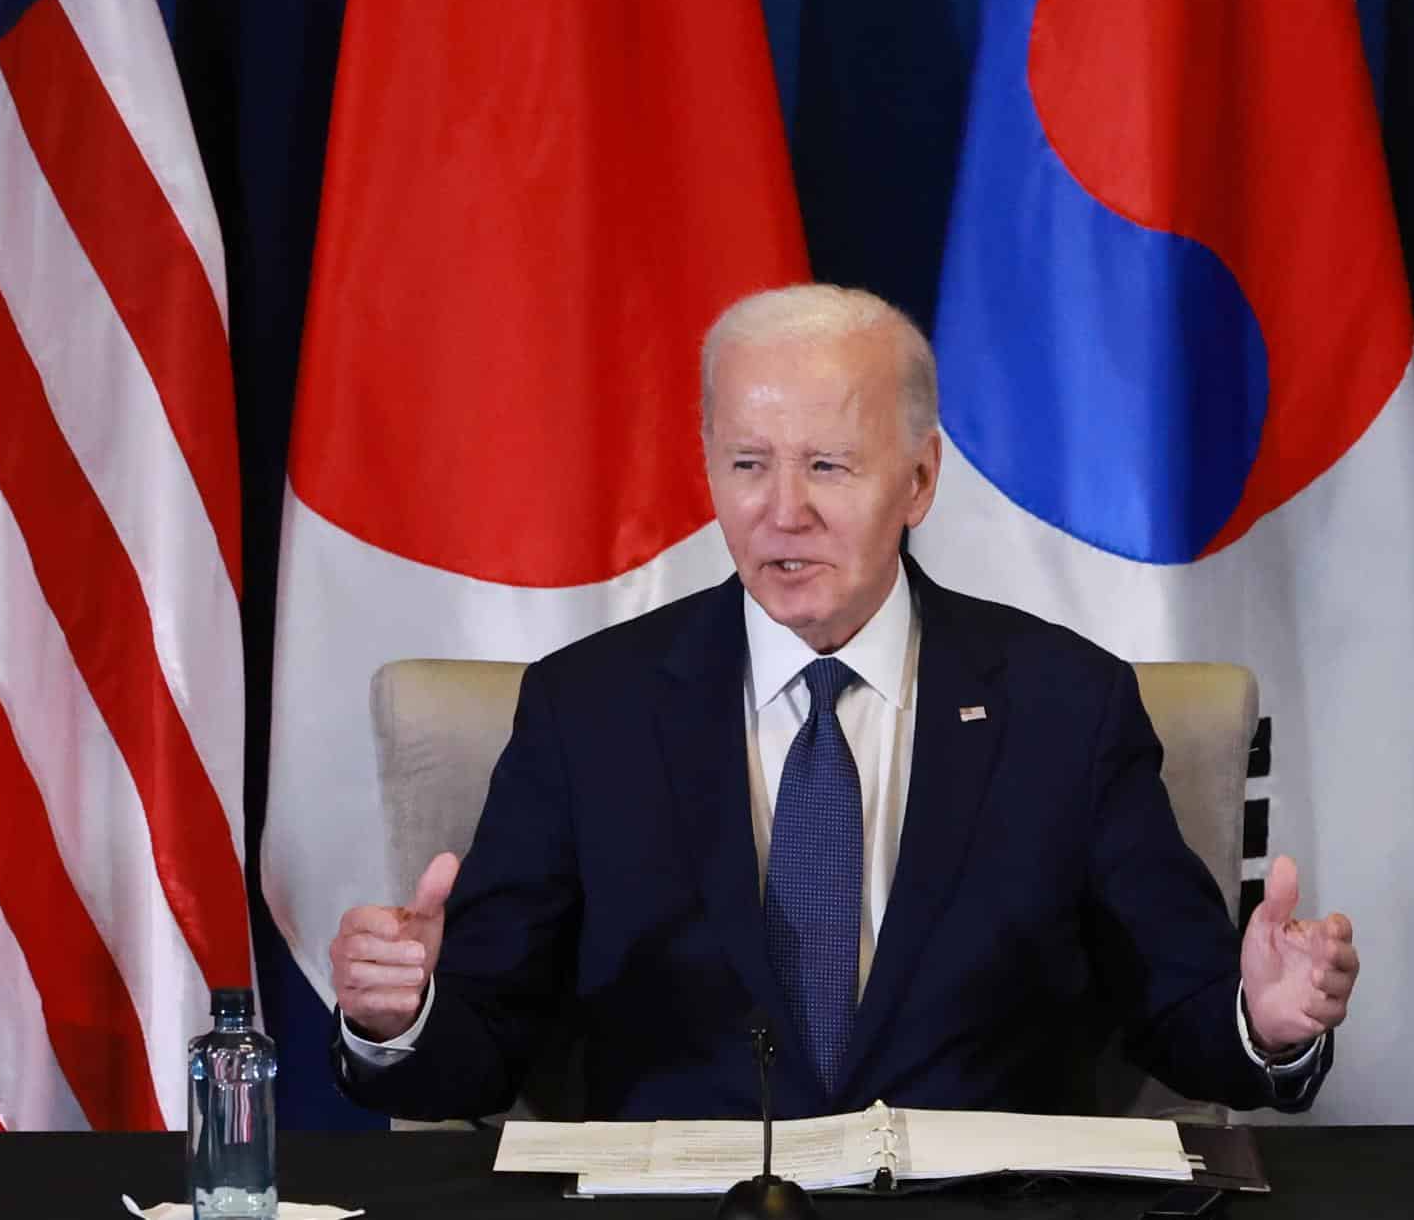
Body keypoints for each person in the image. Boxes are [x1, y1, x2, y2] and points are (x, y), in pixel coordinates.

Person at [329, 285, 1358, 1122]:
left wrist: (1262, 1021)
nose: (784, 512)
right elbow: (477, 1052)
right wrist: (401, 1016)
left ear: (918, 482)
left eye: (827, 466)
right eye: (747, 465)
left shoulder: (1066, 705)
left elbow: (1177, 1004)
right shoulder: (586, 711)